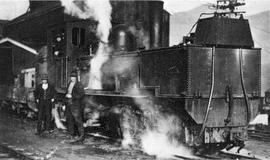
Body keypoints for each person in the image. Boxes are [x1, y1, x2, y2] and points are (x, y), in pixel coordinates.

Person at [65, 71, 85, 143]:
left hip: (76, 105)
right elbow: (67, 92)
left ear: (76, 78)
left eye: (74, 77)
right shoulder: (69, 83)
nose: (72, 78)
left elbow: (81, 94)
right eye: (71, 77)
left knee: (78, 121)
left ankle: (81, 136)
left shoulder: (79, 85)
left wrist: (72, 96)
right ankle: (71, 134)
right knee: (70, 119)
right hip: (69, 103)